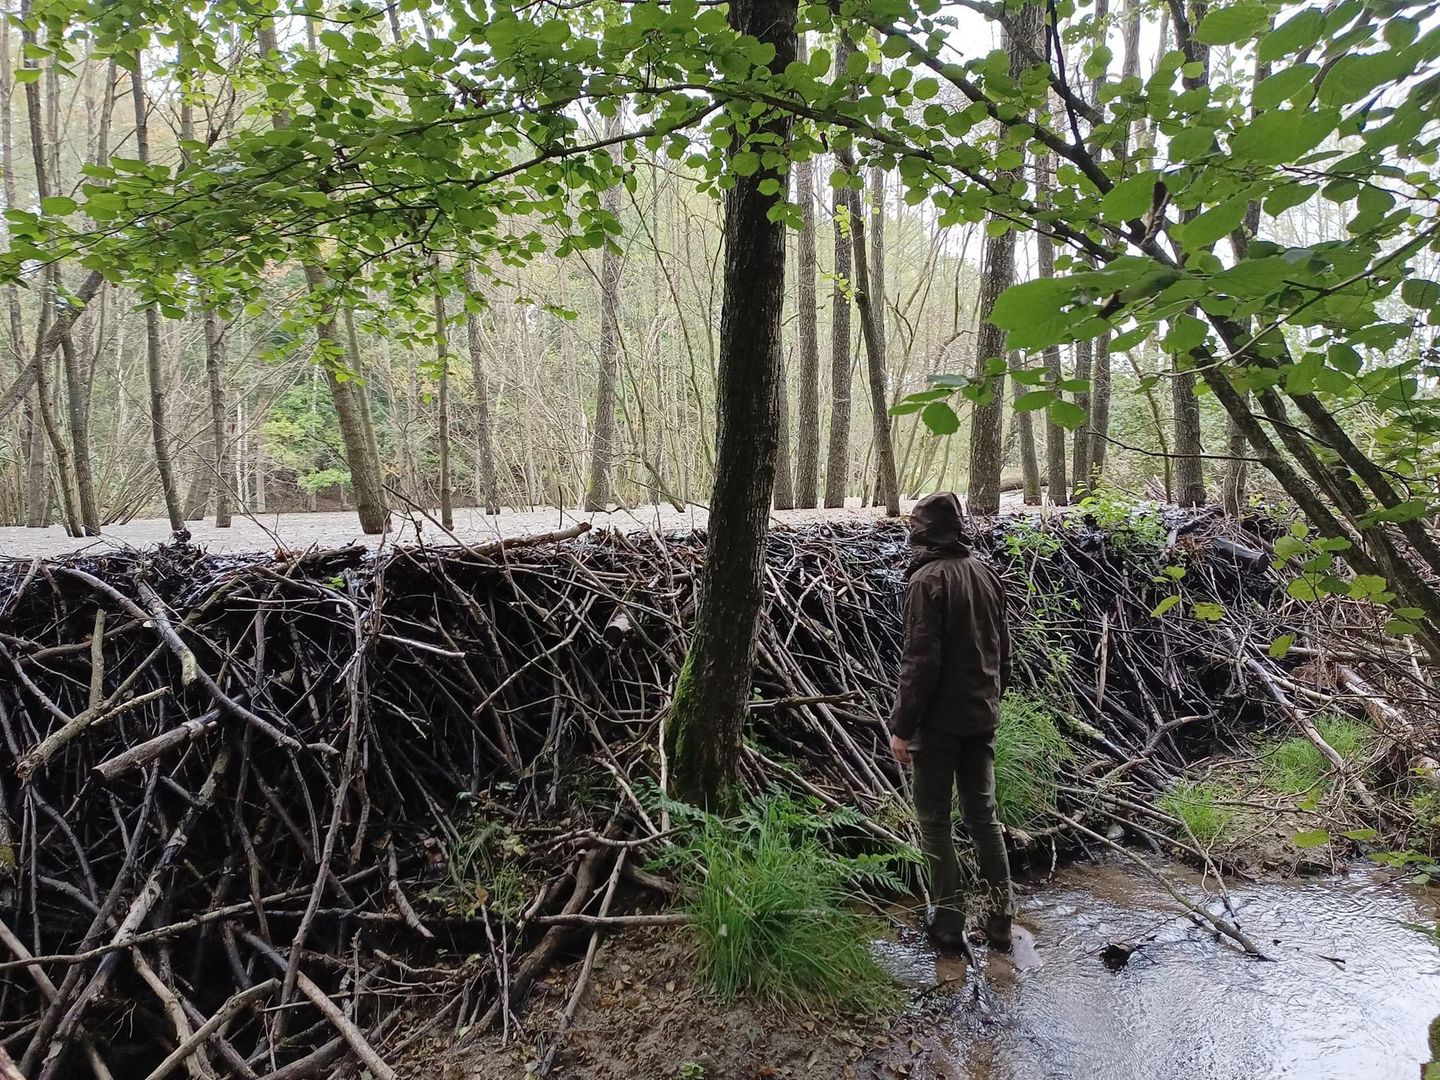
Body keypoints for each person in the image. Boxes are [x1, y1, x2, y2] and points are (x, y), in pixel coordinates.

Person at [888, 491, 1015, 952]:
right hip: (981, 718)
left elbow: (919, 662)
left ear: (923, 532)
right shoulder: (985, 573)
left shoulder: (926, 580)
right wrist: (990, 700)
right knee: (984, 819)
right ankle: (1001, 919)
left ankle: (947, 923)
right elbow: (1003, 651)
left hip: (939, 727)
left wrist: (903, 727)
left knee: (935, 823)